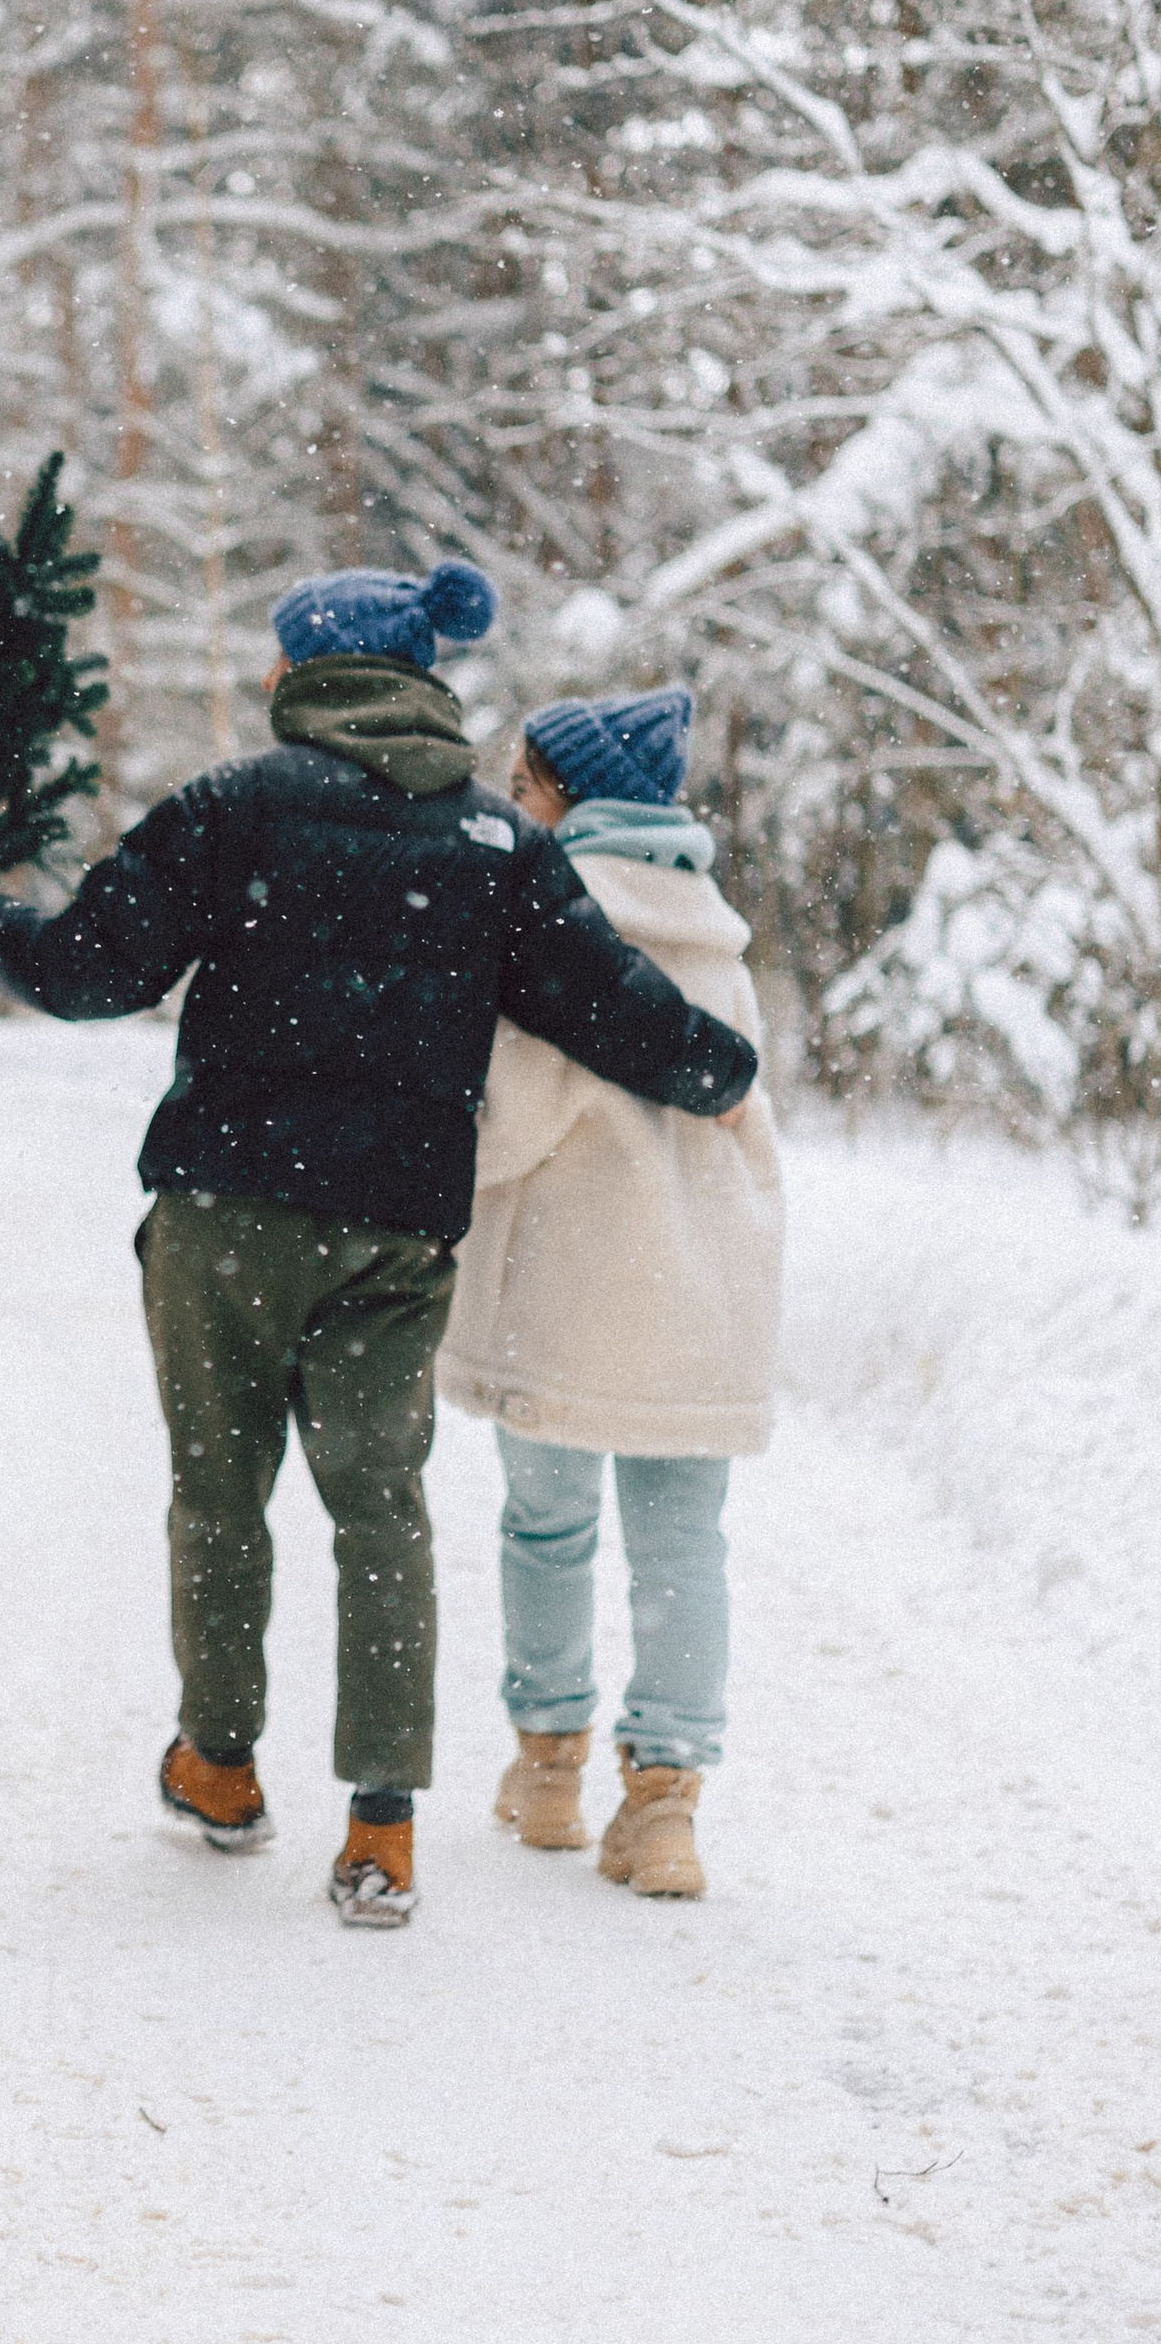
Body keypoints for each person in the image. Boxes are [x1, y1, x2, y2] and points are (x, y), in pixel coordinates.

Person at [0, 562, 758, 1930]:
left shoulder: (235, 809)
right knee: (380, 1510)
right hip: (393, 1235)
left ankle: (223, 1769)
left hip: (224, 1213)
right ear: (427, 685)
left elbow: (89, 973)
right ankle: (380, 1833)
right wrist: (722, 1066)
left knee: (220, 1492)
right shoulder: (497, 847)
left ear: (302, 681)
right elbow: (636, 1026)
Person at [440, 688, 783, 1903]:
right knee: (682, 1547)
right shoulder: (716, 935)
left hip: (570, 1296)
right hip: (700, 1294)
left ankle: (547, 1767)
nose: (512, 806)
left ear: (570, 802)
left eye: (525, 788)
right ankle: (665, 1805)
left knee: (548, 1528)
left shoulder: (556, 927)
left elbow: (511, 1122)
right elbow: (748, 1117)